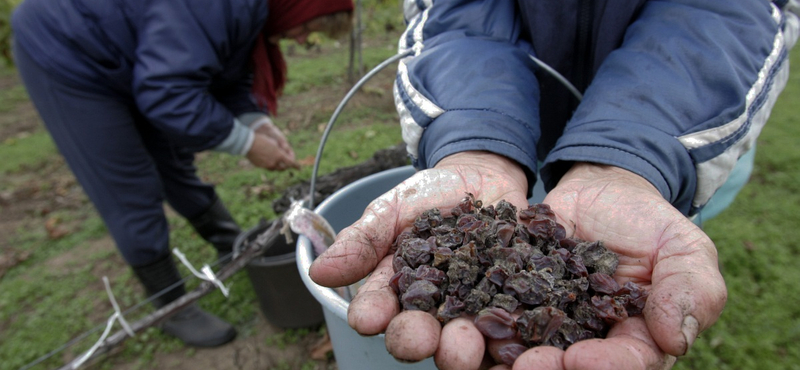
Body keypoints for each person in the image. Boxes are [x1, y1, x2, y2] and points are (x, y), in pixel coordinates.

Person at [309, 0, 800, 369]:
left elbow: (731, 14)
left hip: (671, 144)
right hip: (515, 122)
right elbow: (460, 18)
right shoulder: (490, 248)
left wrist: (641, 159)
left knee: (659, 250)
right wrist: (474, 136)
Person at [11, 0, 353, 348]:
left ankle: (230, 245)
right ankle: (171, 306)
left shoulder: (251, 14)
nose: (301, 38)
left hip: (137, 60)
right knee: (129, 184)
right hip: (70, 50)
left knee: (173, 161)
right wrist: (245, 143)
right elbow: (166, 93)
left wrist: (257, 123)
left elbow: (225, 69)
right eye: (307, 27)